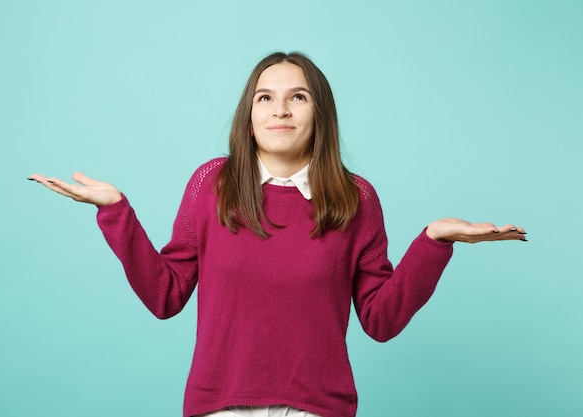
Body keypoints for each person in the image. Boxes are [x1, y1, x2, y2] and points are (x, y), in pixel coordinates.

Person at [29, 52, 526, 417]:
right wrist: (116, 212)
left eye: (298, 97)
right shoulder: (212, 184)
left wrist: (435, 242)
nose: (280, 110)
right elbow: (165, 294)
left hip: (319, 409)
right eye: (265, 97)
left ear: (319, 113)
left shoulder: (357, 199)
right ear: (250, 112)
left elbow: (380, 318)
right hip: (217, 407)